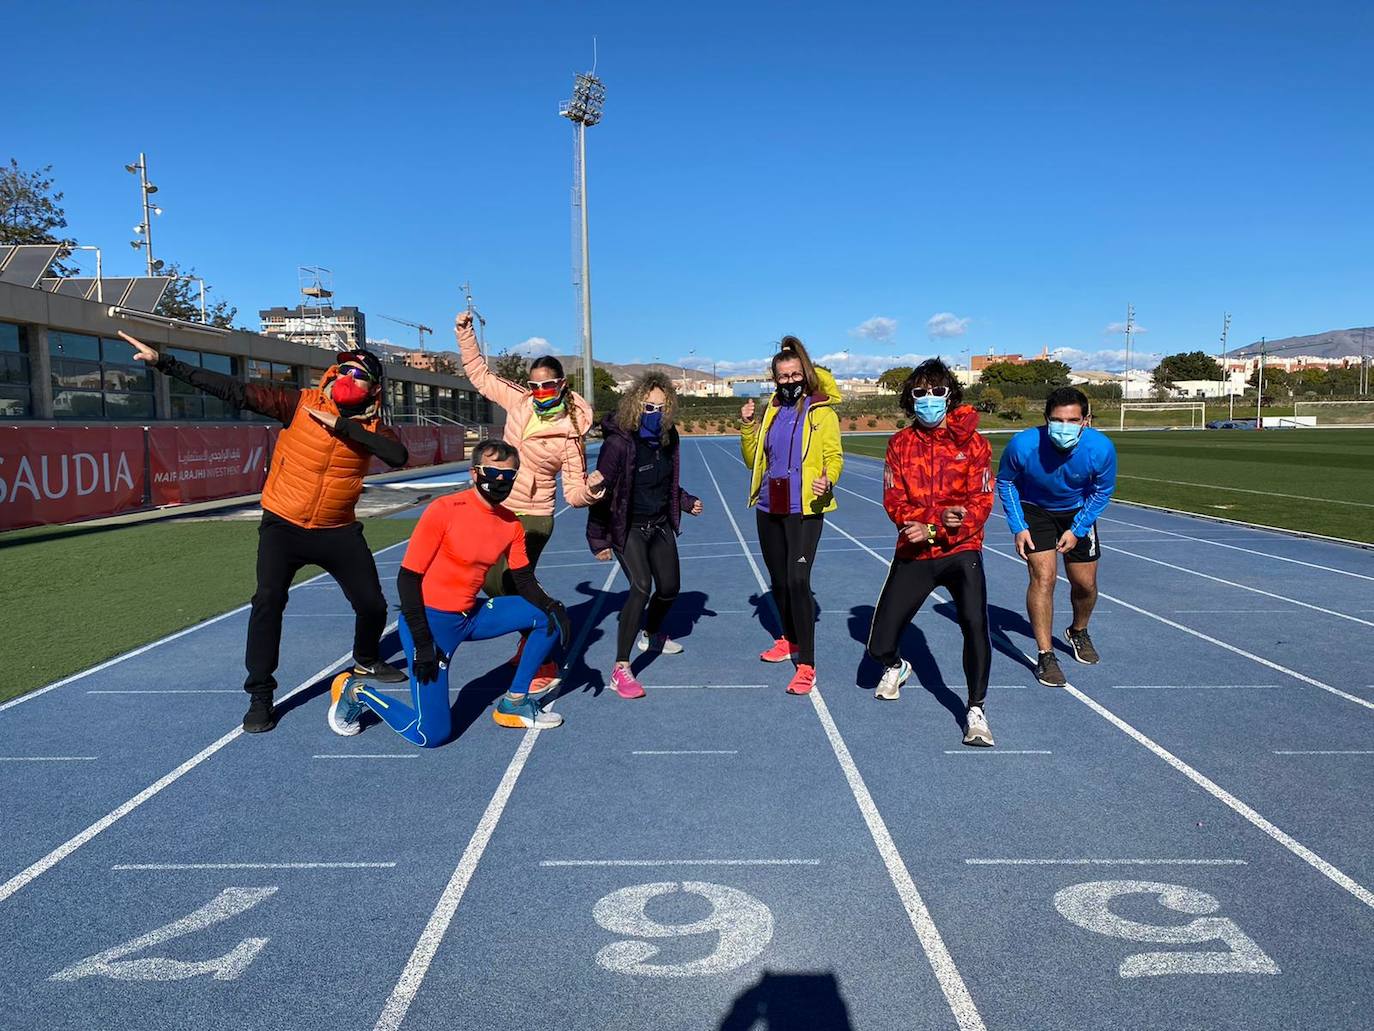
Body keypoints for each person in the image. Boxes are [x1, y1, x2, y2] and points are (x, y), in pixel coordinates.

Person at [118, 331, 408, 734]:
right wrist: (163, 362)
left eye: (359, 375)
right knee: (268, 601)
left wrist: (343, 426)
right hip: (283, 525)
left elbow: (397, 456)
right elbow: (234, 390)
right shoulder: (299, 404)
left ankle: (367, 658)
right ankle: (260, 695)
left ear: (374, 389)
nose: (348, 378)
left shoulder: (376, 428)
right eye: (344, 369)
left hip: (337, 529)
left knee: (373, 605)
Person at [327, 440, 572, 743]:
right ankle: (357, 692)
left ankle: (515, 702)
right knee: (431, 735)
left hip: (470, 616)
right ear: (474, 473)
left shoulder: (511, 523)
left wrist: (552, 605)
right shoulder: (444, 510)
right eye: (492, 472)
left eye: (508, 475)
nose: (499, 481)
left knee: (546, 616)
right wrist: (422, 642)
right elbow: (408, 579)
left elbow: (523, 580)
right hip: (431, 625)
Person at [455, 310, 603, 684]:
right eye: (534, 386)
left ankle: (544, 656)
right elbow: (481, 376)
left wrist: (591, 490)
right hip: (499, 507)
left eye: (547, 385)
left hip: (535, 515)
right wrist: (465, 333)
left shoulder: (570, 434)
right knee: (490, 581)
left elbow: (574, 491)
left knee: (511, 583)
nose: (539, 392)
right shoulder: (520, 402)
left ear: (562, 384)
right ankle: (535, 630)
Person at [865, 360, 995, 746]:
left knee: (974, 624)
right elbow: (894, 499)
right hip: (914, 551)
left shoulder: (974, 444)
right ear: (910, 398)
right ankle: (896, 665)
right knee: (878, 645)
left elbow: (980, 503)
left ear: (950, 395)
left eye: (937, 391)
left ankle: (976, 709)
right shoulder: (899, 444)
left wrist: (937, 528)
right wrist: (921, 527)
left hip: (960, 550)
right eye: (920, 392)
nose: (929, 399)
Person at [586, 372, 703, 699]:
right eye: (649, 406)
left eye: (661, 408)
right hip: (629, 526)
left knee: (670, 589)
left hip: (660, 523)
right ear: (635, 405)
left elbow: (666, 483)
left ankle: (650, 634)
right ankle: (620, 668)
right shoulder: (618, 443)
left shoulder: (669, 437)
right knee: (641, 586)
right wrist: (598, 540)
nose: (655, 413)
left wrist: (685, 501)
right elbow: (603, 493)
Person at [739, 336, 843, 695]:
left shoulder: (821, 411)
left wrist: (829, 479)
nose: (789, 381)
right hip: (769, 507)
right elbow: (753, 461)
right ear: (775, 380)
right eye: (782, 376)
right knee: (780, 582)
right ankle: (789, 639)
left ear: (805, 374)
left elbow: (834, 457)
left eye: (795, 374)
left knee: (798, 581)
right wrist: (748, 427)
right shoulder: (771, 411)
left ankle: (807, 664)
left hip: (804, 510)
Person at [996, 386, 1117, 687]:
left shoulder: (1101, 448)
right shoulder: (1023, 444)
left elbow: (1102, 491)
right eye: (1058, 420)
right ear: (1046, 418)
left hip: (1078, 511)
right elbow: (1006, 482)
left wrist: (1078, 529)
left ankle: (1078, 630)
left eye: (1073, 420)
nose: (1065, 427)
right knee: (1044, 578)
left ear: (1086, 420)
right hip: (1035, 510)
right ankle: (1045, 654)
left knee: (1085, 584)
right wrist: (1018, 525)